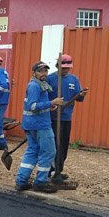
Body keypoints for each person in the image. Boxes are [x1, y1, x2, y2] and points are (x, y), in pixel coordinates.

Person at [14, 61, 64, 194]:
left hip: (31, 124)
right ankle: (41, 182)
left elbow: (37, 105)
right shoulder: (35, 86)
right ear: (34, 73)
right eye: (40, 71)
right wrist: (52, 102)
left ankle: (21, 181)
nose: (43, 73)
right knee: (48, 152)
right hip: (40, 125)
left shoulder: (40, 85)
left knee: (32, 152)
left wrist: (49, 105)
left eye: (45, 71)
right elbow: (32, 106)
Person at [47, 54, 88, 184]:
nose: (65, 70)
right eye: (63, 67)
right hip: (53, 118)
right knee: (54, 146)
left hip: (66, 118)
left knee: (63, 146)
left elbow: (79, 98)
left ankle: (58, 169)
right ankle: (52, 171)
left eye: (67, 68)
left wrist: (81, 95)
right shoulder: (50, 79)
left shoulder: (73, 79)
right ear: (57, 65)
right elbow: (44, 99)